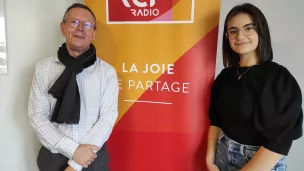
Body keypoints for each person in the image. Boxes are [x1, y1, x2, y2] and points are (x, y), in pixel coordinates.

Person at [206, 3, 303, 171]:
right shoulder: (225, 76)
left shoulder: (279, 78)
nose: (240, 35)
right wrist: (210, 158)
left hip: (258, 163)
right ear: (227, 36)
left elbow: (280, 140)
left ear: (261, 31)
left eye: (248, 28)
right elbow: (216, 120)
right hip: (221, 154)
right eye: (233, 31)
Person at [28, 3, 119, 171]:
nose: (80, 29)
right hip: (52, 158)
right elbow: (37, 115)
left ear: (94, 34)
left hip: (93, 158)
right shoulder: (43, 68)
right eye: (74, 22)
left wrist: (75, 165)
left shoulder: (107, 72)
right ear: (63, 28)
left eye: (87, 25)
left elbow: (107, 117)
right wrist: (73, 151)